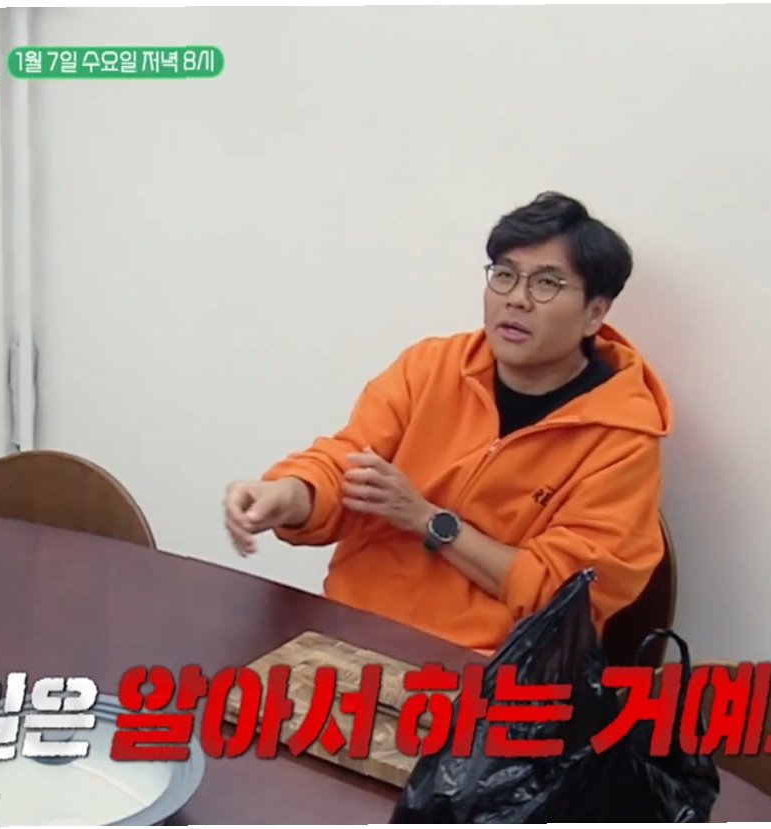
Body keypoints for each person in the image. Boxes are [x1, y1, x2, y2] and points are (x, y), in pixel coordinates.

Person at [222, 191, 673, 654]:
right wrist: (290, 494)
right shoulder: (431, 367)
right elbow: (348, 463)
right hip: (351, 630)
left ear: (595, 312)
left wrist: (429, 521)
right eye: (504, 275)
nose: (517, 299)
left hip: (483, 662)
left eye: (547, 284)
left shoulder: (623, 438)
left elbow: (564, 595)